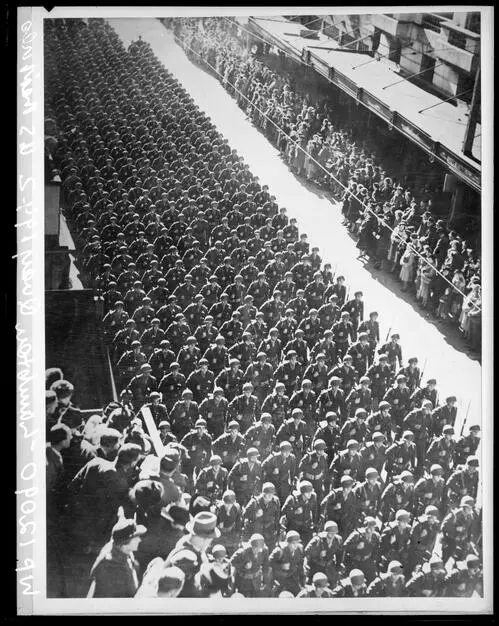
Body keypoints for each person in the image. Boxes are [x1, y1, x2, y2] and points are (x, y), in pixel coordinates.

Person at [165, 511, 221, 597]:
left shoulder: (186, 540)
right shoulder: (188, 557)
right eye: (211, 538)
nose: (210, 542)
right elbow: (185, 591)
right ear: (204, 539)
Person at [88, 518, 147, 598]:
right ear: (125, 541)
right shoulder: (110, 567)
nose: (139, 540)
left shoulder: (126, 553)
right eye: (136, 537)